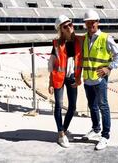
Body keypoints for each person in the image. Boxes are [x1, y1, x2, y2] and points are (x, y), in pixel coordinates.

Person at [82, 9, 118, 150]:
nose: (90, 25)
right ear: (85, 24)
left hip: (100, 80)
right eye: (88, 22)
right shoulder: (84, 38)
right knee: (92, 106)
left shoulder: (106, 38)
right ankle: (96, 129)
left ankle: (105, 136)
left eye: (93, 22)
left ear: (98, 22)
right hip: (87, 80)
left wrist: (109, 68)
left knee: (103, 106)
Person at [48, 15, 83, 148]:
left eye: (70, 24)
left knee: (72, 107)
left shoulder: (79, 41)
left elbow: (81, 62)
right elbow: (51, 64)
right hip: (59, 79)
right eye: (65, 26)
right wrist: (50, 82)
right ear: (61, 30)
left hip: (73, 78)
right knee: (58, 105)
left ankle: (63, 128)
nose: (69, 27)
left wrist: (79, 77)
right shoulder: (57, 44)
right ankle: (61, 135)